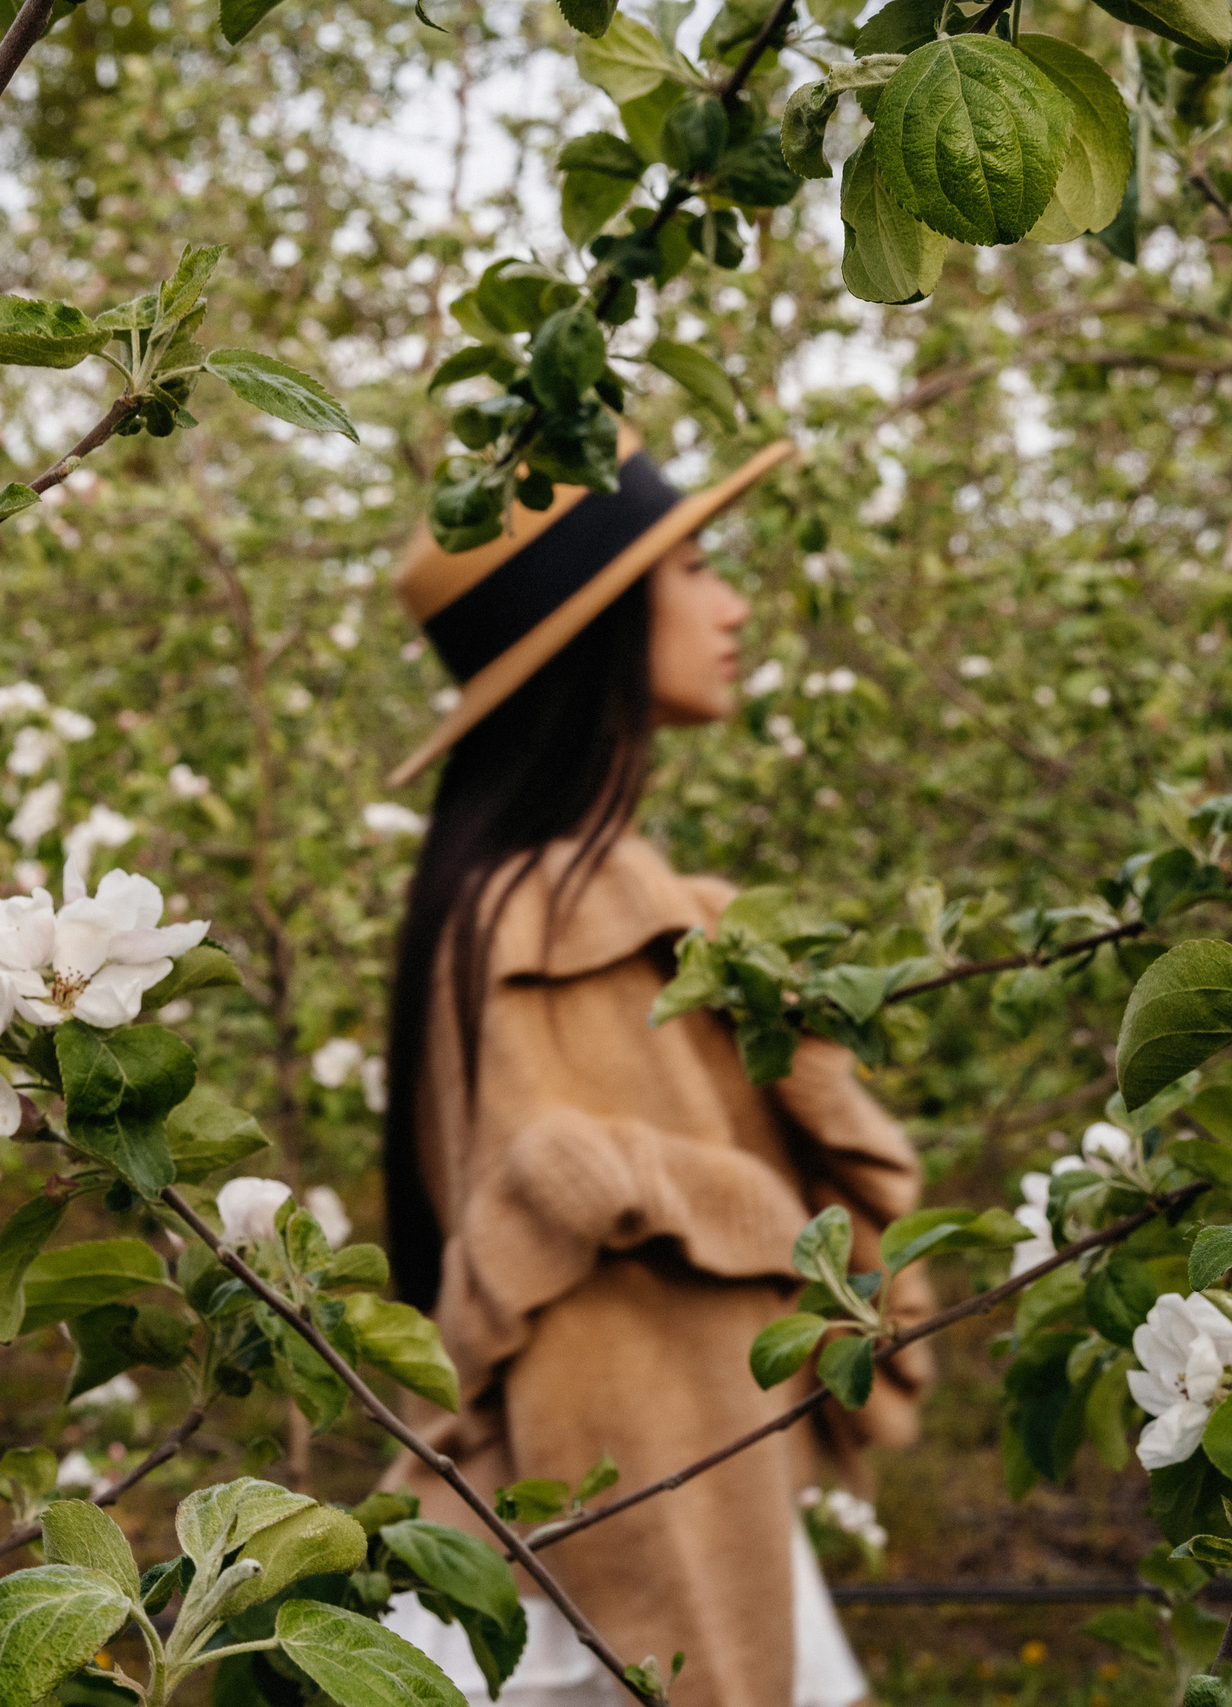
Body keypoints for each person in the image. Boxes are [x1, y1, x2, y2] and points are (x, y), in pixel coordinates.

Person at [374, 433, 936, 1705]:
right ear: (604, 624)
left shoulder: (535, 896)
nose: (731, 603)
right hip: (610, 1582)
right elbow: (609, 1353)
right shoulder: (556, 917)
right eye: (691, 566)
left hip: (611, 1553)